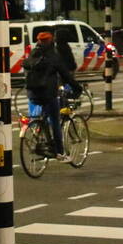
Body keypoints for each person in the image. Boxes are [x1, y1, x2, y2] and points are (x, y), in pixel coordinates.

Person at [23, 30, 81, 161]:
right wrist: (77, 88)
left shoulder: (34, 53)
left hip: (32, 92)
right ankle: (60, 153)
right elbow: (66, 75)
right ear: (51, 41)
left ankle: (43, 137)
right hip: (48, 94)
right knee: (55, 120)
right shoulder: (53, 56)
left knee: (44, 114)